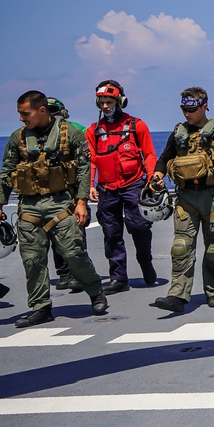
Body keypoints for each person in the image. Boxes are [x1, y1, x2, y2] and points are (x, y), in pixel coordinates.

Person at [0, 90, 107, 327]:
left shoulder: (72, 134)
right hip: (29, 207)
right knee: (32, 260)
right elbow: (7, 171)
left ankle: (96, 291)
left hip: (61, 204)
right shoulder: (18, 138)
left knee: (73, 254)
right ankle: (41, 307)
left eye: (25, 114)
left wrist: (81, 202)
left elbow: (84, 169)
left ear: (42, 110)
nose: (21, 119)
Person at [150, 87, 214, 312]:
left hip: (212, 198)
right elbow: (165, 159)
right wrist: (157, 176)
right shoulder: (179, 134)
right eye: (184, 109)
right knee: (181, 246)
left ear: (205, 106)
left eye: (192, 109)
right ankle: (177, 296)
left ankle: (213, 291)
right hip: (186, 198)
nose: (187, 114)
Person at [86, 80, 158, 294]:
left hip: (133, 184)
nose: (106, 106)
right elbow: (91, 160)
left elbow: (149, 154)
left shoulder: (137, 125)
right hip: (107, 188)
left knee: (139, 227)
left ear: (120, 101)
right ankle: (118, 278)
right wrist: (91, 185)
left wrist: (152, 179)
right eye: (102, 102)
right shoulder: (93, 131)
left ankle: (145, 261)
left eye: (109, 102)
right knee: (111, 233)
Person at [45, 97, 89, 293]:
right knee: (53, 232)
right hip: (51, 193)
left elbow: (88, 160)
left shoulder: (76, 130)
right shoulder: (35, 134)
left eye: (55, 111)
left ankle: (79, 274)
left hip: (72, 191)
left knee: (76, 231)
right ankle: (64, 273)